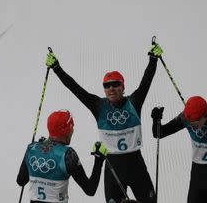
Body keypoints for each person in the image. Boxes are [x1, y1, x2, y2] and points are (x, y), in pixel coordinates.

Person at [45, 43, 163, 203]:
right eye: (107, 85)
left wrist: (153, 59)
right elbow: (75, 88)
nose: (111, 88)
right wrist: (56, 68)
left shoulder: (134, 102)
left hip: (137, 167)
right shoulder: (98, 106)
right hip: (113, 169)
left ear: (123, 86)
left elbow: (146, 80)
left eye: (115, 84)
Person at [151, 96, 207, 203]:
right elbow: (159, 133)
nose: (193, 127)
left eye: (195, 124)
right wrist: (156, 119)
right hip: (199, 174)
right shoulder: (185, 118)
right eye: (190, 123)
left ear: (205, 115)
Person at [17, 110, 108, 202]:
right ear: (67, 130)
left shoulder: (32, 149)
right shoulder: (68, 155)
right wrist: (99, 160)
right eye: (72, 127)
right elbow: (90, 190)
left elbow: (21, 181)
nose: (73, 130)